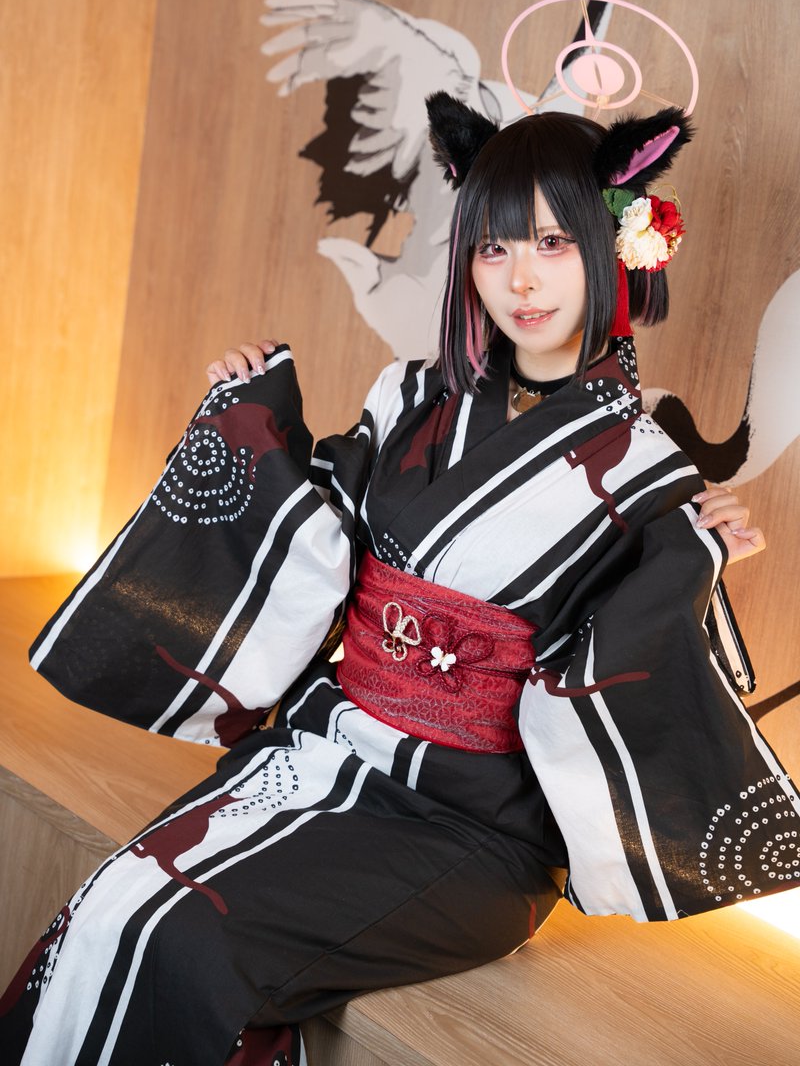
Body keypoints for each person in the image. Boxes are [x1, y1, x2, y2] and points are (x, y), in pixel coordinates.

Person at [2, 94, 795, 1066]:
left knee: (185, 938)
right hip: (328, 747)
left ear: (612, 245)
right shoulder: (409, 394)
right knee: (117, 905)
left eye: (552, 242)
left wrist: (694, 567)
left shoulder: (648, 468)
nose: (520, 279)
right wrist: (249, 418)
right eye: (494, 247)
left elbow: (639, 677)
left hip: (473, 825)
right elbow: (317, 538)